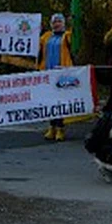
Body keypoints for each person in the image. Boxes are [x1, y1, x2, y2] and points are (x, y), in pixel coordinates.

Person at [40, 13, 74, 141]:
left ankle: (60, 128)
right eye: (54, 22)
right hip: (48, 73)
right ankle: (52, 126)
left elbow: (74, 41)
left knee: (60, 101)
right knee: (50, 101)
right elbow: (36, 46)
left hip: (62, 74)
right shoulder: (46, 36)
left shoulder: (67, 35)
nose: (56, 24)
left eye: (59, 21)